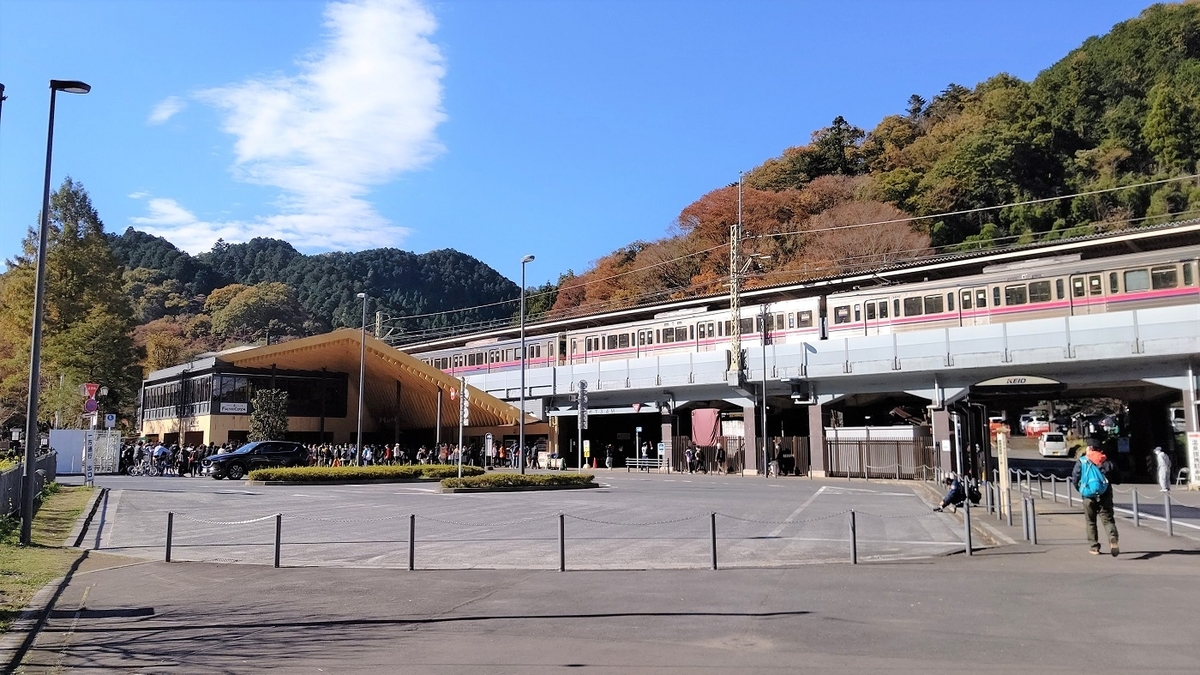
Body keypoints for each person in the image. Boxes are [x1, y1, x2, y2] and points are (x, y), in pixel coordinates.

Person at [1071, 442, 1120, 556]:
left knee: (1091, 521)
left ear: (1090, 448)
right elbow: (1118, 478)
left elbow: (1075, 477)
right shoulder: (1106, 461)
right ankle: (1112, 537)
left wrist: (1081, 489)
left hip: (1088, 495)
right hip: (1105, 494)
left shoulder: (1082, 461)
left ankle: (1094, 547)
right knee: (1108, 519)